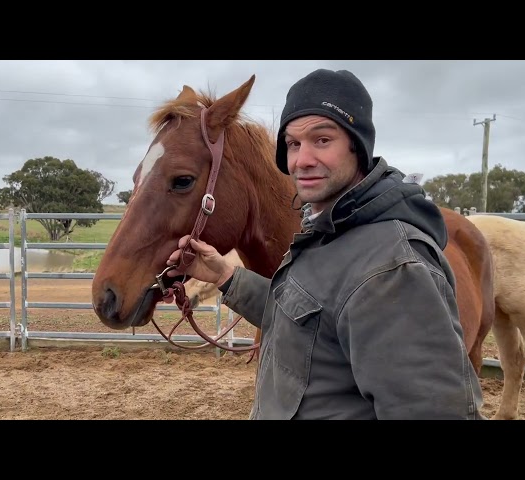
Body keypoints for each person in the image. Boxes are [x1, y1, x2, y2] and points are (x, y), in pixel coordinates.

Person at [165, 68, 486, 420]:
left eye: (322, 140)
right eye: (293, 144)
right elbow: (309, 322)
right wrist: (225, 275)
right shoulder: (328, 230)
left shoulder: (392, 270)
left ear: (357, 146)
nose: (302, 160)